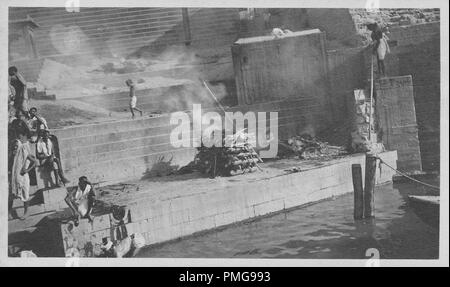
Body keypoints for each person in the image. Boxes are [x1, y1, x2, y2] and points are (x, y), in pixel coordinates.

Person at [10, 126, 36, 220]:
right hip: (15, 174)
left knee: (25, 194)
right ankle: (9, 211)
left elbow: (34, 161)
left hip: (23, 175)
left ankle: (26, 212)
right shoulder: (16, 148)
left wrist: (27, 170)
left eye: (20, 135)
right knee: (12, 193)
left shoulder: (24, 147)